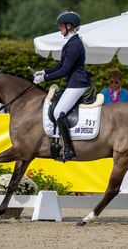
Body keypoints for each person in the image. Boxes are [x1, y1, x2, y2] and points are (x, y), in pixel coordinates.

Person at [33, 10, 93, 161]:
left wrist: (45, 78)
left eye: (61, 26)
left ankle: (69, 149)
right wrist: (44, 71)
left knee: (59, 111)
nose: (59, 29)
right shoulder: (70, 42)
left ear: (69, 26)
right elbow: (61, 64)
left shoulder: (75, 44)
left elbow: (65, 70)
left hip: (77, 83)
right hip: (73, 83)